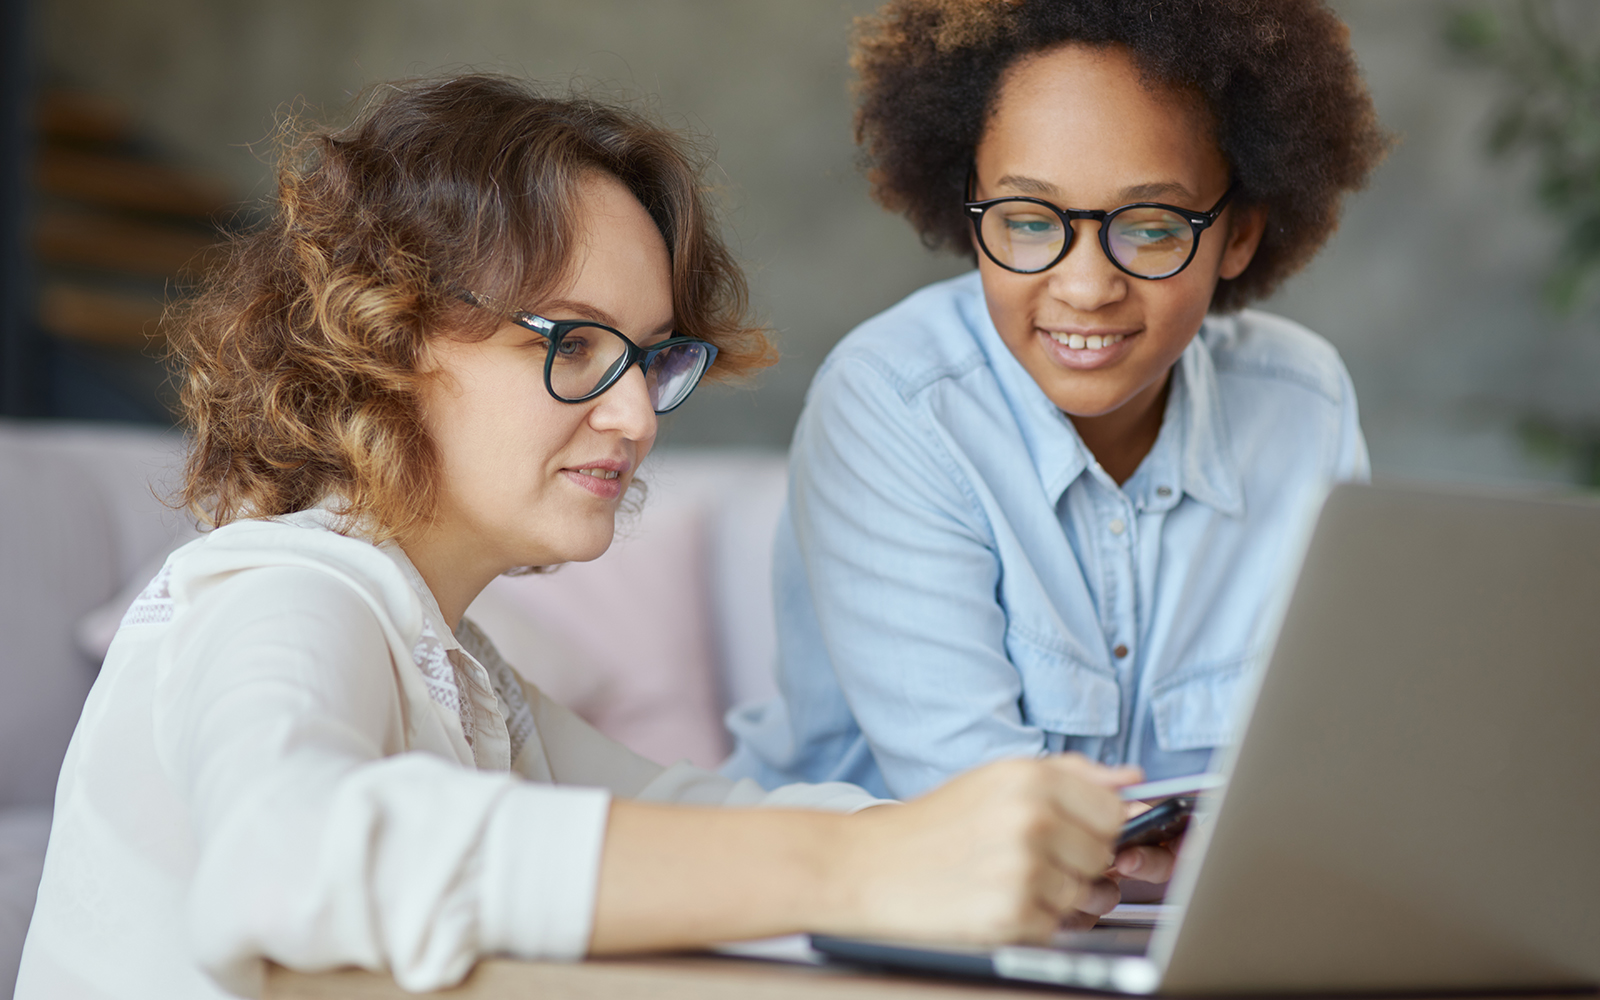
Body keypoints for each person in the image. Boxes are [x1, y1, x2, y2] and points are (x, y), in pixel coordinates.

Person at [16, 76, 1144, 1000]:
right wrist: (854, 865)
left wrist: (1016, 837)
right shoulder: (272, 587)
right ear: (384, 334)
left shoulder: (462, 665)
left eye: (649, 357)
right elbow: (282, 856)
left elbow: (691, 814)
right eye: (574, 344)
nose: (637, 414)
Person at [725, 0, 1388, 822]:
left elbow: (1332, 765)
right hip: (877, 927)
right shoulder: (893, 404)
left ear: (1240, 234)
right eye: (1030, 221)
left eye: (1149, 227)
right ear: (970, 214)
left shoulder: (1304, 406)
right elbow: (984, 824)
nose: (1084, 287)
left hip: (1173, 932)